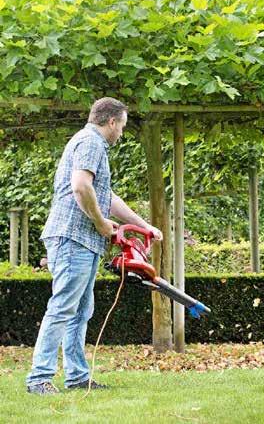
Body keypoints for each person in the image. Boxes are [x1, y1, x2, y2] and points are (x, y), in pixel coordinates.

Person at [26, 97, 162, 395]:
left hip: (81, 239)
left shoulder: (90, 144)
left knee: (79, 310)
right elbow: (80, 186)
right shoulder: (91, 142)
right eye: (122, 126)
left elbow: (107, 198)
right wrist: (101, 223)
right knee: (63, 308)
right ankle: (39, 378)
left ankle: (76, 376)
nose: (122, 133)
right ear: (111, 121)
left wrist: (143, 226)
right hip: (72, 236)